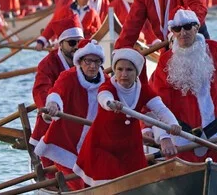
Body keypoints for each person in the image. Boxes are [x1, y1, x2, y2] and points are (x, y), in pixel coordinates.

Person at [150, 10, 217, 162]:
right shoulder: (165, 60)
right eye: (177, 29)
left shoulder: (215, 50)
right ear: (172, 32)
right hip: (181, 137)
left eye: (187, 27)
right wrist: (163, 136)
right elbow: (159, 102)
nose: (182, 33)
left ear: (197, 27)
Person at [73, 48, 181, 186]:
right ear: (114, 70)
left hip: (131, 146)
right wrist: (110, 104)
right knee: (111, 183)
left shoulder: (144, 89)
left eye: (129, 70)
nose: (124, 74)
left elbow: (161, 109)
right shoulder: (108, 86)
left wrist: (173, 124)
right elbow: (103, 97)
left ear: (136, 72)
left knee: (137, 183)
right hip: (103, 146)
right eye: (119, 69)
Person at [36, 39, 106, 187]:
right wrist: (53, 105)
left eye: (96, 61)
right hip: (64, 144)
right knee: (80, 184)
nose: (92, 66)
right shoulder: (67, 77)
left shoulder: (106, 82)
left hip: (91, 145)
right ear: (80, 61)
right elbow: (56, 92)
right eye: (88, 61)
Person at [29, 18, 84, 147]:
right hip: (54, 121)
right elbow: (41, 89)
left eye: (80, 43)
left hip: (81, 121)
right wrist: (50, 105)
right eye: (71, 43)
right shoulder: (48, 64)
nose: (76, 47)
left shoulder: (89, 61)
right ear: (61, 43)